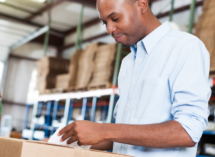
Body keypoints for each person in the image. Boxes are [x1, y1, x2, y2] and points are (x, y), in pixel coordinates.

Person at [57, 0, 210, 156]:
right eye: (105, 23)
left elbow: (188, 131)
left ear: (141, 5)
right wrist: (63, 142)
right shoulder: (128, 63)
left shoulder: (185, 47)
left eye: (115, 18)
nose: (110, 29)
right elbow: (123, 135)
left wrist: (105, 130)